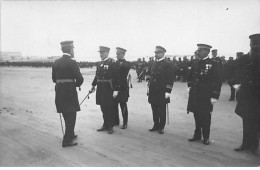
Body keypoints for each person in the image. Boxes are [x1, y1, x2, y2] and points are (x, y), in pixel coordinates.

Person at [187, 44, 222, 145]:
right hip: (195, 94)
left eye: (200, 50)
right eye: (198, 50)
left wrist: (215, 96)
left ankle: (206, 137)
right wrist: (189, 86)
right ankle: (197, 134)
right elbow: (189, 76)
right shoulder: (195, 62)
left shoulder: (214, 63)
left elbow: (218, 80)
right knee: (196, 114)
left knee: (206, 116)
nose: (198, 52)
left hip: (206, 95)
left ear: (207, 51)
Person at [52, 40, 84, 147]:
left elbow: (53, 79)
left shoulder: (55, 62)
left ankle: (70, 133)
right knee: (72, 115)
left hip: (60, 91)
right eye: (73, 49)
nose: (73, 51)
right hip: (69, 92)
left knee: (66, 114)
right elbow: (80, 79)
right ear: (70, 50)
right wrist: (74, 85)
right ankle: (67, 140)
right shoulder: (72, 62)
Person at [233, 34, 260, 156]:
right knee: (246, 120)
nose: (254, 47)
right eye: (252, 44)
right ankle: (245, 144)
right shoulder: (245, 58)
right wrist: (235, 84)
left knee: (257, 121)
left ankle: (254, 146)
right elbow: (231, 68)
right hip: (247, 95)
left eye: (256, 44)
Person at [90, 46, 120, 134]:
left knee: (109, 107)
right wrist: (93, 85)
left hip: (109, 88)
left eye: (102, 53)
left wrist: (116, 89)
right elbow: (97, 76)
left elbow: (117, 77)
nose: (100, 54)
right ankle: (105, 124)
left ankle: (110, 126)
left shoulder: (112, 63)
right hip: (100, 88)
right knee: (103, 107)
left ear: (107, 53)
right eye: (100, 53)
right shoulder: (99, 63)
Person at [146, 46, 174, 134]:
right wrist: (147, 80)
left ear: (163, 53)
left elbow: (170, 78)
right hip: (153, 90)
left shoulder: (168, 64)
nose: (156, 54)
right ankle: (156, 124)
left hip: (162, 90)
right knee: (154, 108)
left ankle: (161, 127)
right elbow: (148, 73)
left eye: (157, 53)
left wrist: (168, 91)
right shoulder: (152, 63)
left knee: (161, 109)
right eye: (155, 53)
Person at [114, 47, 131, 129]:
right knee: (114, 105)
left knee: (123, 105)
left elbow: (125, 67)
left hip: (123, 88)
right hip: (114, 87)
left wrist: (117, 63)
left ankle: (125, 122)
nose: (116, 55)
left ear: (123, 54)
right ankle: (116, 121)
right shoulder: (115, 63)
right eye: (116, 53)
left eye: (118, 54)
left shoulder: (126, 63)